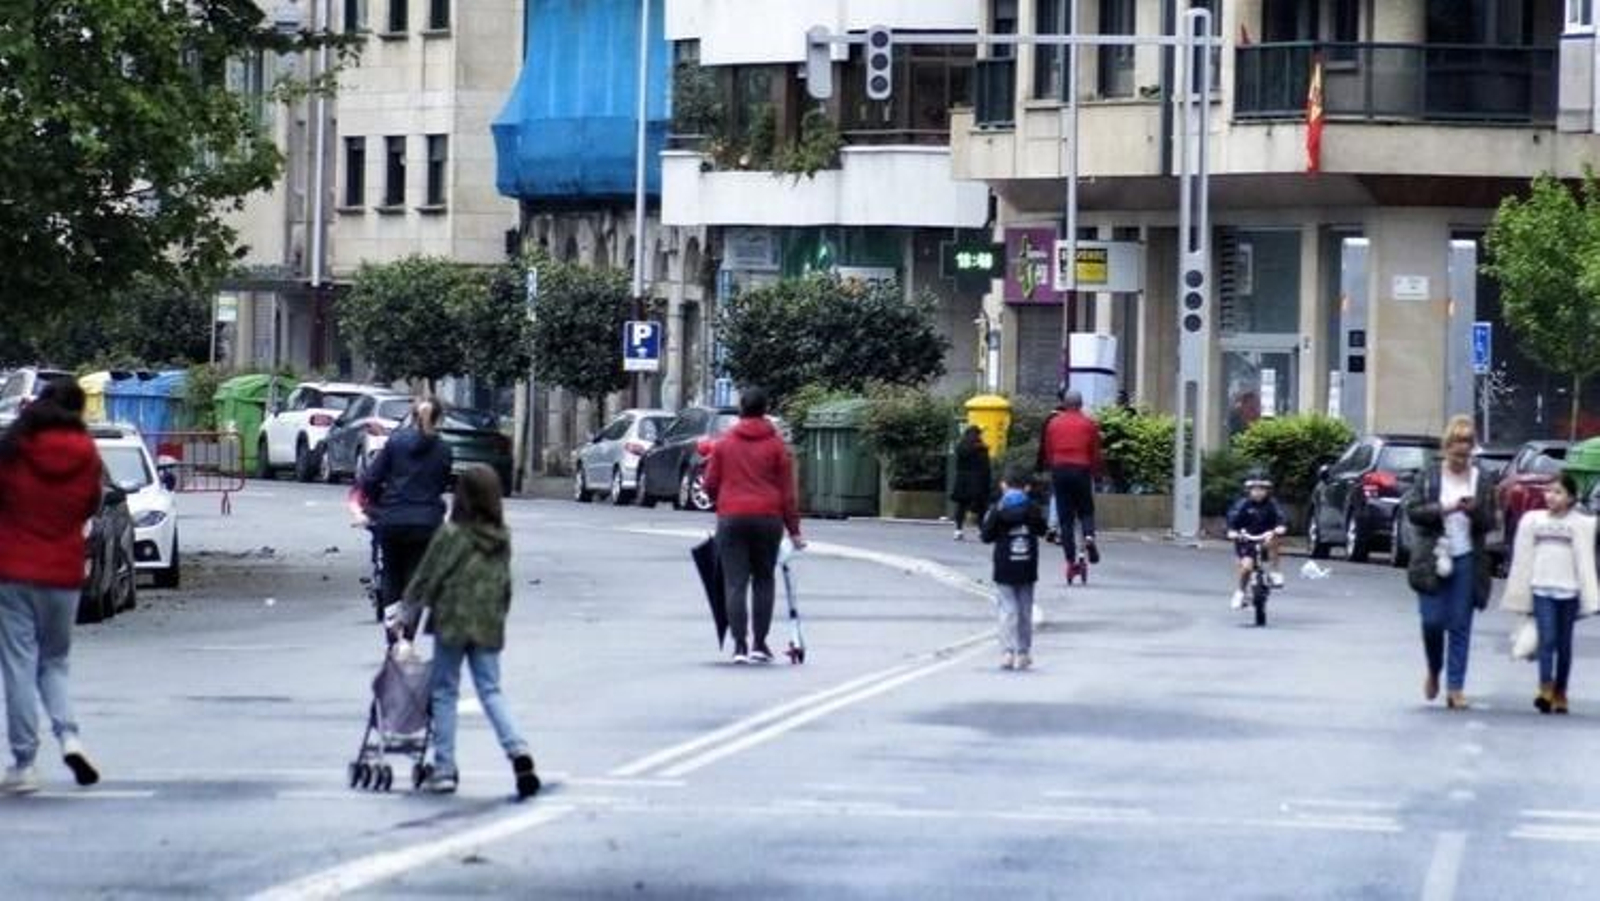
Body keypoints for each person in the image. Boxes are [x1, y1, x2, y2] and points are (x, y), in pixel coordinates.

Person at [394, 465, 539, 797]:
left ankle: (444, 768)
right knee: (491, 690)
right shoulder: (502, 537)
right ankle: (519, 752)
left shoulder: (451, 534)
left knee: (445, 692)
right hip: (488, 619)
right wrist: (501, 613)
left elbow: (429, 574)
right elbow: (505, 583)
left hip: (453, 619)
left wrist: (407, 611)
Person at [0, 381, 103, 794]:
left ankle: (24, 763)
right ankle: (69, 737)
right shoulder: (88, 454)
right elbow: (90, 506)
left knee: (19, 665)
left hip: (13, 572)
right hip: (64, 573)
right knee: (55, 662)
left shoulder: (13, 451)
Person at [703, 387, 805, 664]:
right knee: (763, 579)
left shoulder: (724, 444)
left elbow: (710, 483)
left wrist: (721, 503)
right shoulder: (776, 446)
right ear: (764, 410)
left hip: (732, 517)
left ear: (741, 409)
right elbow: (787, 492)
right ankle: (760, 644)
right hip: (768, 519)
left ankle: (739, 646)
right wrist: (794, 530)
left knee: (735, 582)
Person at [1402, 415, 1497, 710]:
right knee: (1432, 622)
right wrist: (1445, 508)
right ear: (1447, 447)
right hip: (1432, 557)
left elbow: (1490, 521)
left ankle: (1456, 688)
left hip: (1467, 557)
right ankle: (1434, 669)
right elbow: (1413, 510)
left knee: (1460, 625)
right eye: (1456, 450)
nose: (1460, 457)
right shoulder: (1430, 475)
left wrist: (1473, 511)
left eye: (1466, 451)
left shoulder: (1482, 478)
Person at [1502, 473, 1599, 715]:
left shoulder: (1581, 524)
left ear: (1571, 498)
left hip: (1569, 591)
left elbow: (1586, 558)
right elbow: (1523, 557)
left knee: (1564, 645)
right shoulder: (1534, 521)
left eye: (1558, 492)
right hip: (1541, 588)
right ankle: (1545, 688)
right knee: (1547, 638)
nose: (1551, 496)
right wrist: (1520, 591)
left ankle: (1561, 692)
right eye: (1548, 491)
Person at [360, 397, 453, 617]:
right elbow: (441, 484)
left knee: (391, 574)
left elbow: (370, 479)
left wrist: (375, 504)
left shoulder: (395, 442)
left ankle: (394, 639)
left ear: (411, 417)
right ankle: (408, 641)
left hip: (392, 519)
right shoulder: (444, 449)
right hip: (427, 523)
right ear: (439, 418)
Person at [981, 469, 1048, 671]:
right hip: (1027, 565)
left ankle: (1007, 652)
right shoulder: (1033, 508)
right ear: (1027, 487)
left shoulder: (997, 508)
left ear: (1004, 485)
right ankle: (1023, 653)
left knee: (1007, 609)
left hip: (1004, 565)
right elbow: (1042, 530)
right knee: (1025, 610)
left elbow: (986, 536)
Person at [1037, 388, 1104, 576]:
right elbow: (1095, 453)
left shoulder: (1054, 424)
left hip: (1060, 470)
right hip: (1081, 469)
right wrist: (1096, 474)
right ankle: (1089, 537)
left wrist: (1052, 468)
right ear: (1081, 404)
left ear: (1064, 404)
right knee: (1085, 510)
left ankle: (1070, 561)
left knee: (1065, 518)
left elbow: (1049, 451)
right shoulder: (1089, 424)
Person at [1226, 470, 1289, 609]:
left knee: (1274, 540)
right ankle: (1240, 592)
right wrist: (1232, 532)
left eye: (1262, 489)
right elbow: (1232, 519)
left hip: (1265, 538)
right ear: (1249, 490)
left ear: (1268, 490)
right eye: (1255, 489)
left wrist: (1280, 527)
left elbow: (1281, 517)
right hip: (1246, 540)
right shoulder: (1243, 505)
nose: (1258, 492)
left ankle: (1275, 572)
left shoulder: (1272, 504)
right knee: (1246, 568)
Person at [950, 425, 993, 541]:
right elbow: (986, 468)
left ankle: (958, 530)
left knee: (961, 506)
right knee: (981, 508)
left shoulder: (960, 447)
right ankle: (981, 530)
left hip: (962, 482)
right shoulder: (982, 449)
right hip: (978, 482)